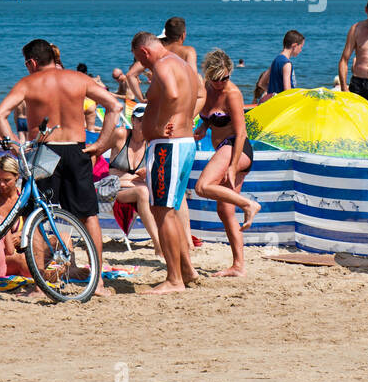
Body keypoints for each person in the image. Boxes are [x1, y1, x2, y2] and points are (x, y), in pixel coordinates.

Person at [0, 39, 122, 297]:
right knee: (88, 216)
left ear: (32, 62)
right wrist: (102, 144)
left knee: (35, 217)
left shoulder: (28, 83)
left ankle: (40, 286)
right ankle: (99, 284)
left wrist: (16, 147)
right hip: (76, 148)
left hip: (45, 152)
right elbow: (114, 106)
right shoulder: (78, 79)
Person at [131, 31, 202, 294]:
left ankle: (174, 280)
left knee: (162, 211)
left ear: (144, 52)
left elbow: (172, 94)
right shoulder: (182, 64)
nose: (143, 65)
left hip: (168, 147)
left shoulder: (162, 65)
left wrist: (160, 126)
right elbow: (197, 94)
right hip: (183, 145)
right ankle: (186, 270)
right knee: (168, 210)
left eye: (140, 59)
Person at [193, 49, 261, 277]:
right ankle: (238, 265)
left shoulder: (232, 93)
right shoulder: (206, 88)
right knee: (224, 209)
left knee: (202, 187)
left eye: (226, 77)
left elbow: (241, 133)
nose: (222, 82)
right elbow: (209, 118)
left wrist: (232, 166)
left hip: (236, 148)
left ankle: (249, 205)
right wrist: (203, 127)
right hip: (225, 148)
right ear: (209, 76)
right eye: (217, 79)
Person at [101, 105, 164, 255]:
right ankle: (159, 246)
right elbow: (98, 150)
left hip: (140, 192)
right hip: (115, 190)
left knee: (161, 192)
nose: (144, 123)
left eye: (148, 119)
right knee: (143, 192)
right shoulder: (121, 135)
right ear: (133, 120)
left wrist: (148, 173)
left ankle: (183, 241)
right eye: (141, 119)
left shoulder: (152, 142)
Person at [125, 17, 202, 111]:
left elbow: (130, 75)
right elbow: (193, 79)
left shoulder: (159, 51)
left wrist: (141, 99)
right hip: (179, 103)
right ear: (183, 35)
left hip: (158, 101)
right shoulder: (188, 51)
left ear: (165, 34)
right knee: (202, 90)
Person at [0, 156, 29, 277]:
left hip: (23, 249)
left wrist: (23, 234)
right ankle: (47, 275)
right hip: (1, 255)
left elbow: (35, 226)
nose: (1, 184)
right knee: (20, 260)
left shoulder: (24, 198)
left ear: (17, 176)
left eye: (6, 180)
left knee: (63, 238)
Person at [258, 30, 305, 102]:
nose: (301, 50)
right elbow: (287, 91)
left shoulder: (276, 60)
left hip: (274, 103)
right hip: (283, 104)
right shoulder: (287, 64)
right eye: (301, 47)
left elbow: (261, 83)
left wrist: (273, 94)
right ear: (294, 46)